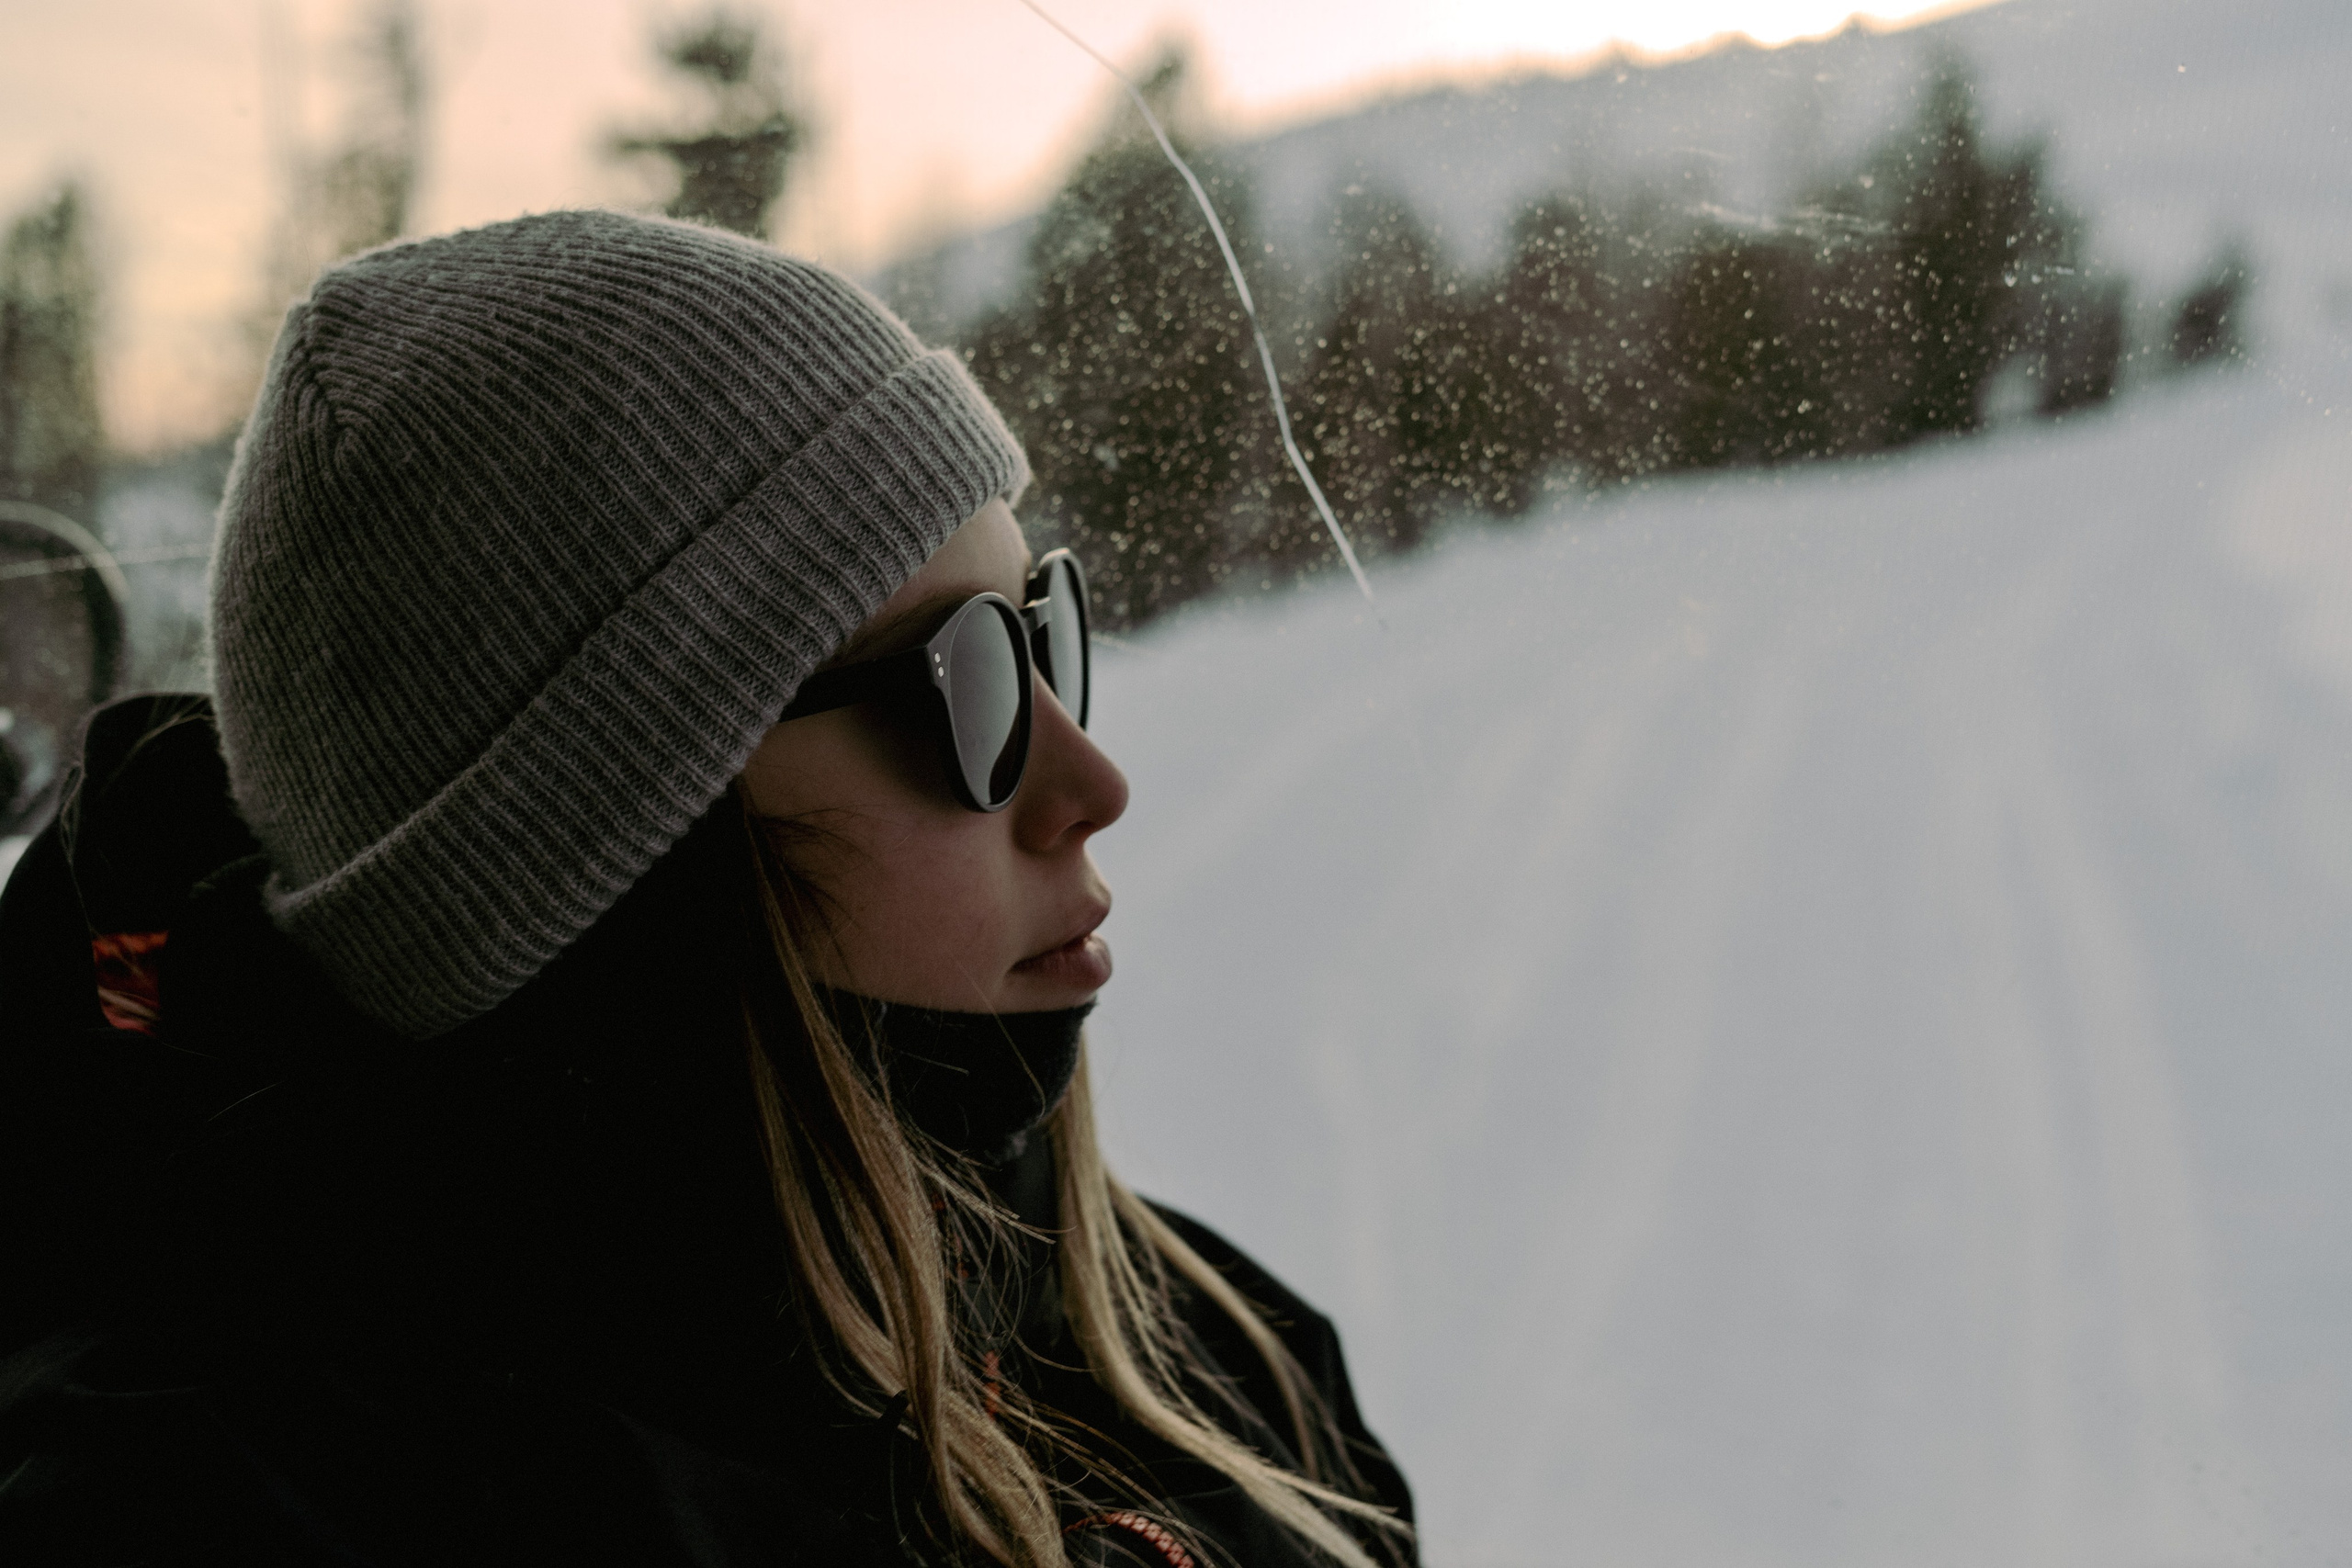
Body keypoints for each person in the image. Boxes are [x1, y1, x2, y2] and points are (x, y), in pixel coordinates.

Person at [0, 210, 1415, 1568]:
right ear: (614, 862)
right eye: (965, 679)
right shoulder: (233, 1509)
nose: (1090, 782)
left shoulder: (1182, 1350)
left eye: (1042, 627)